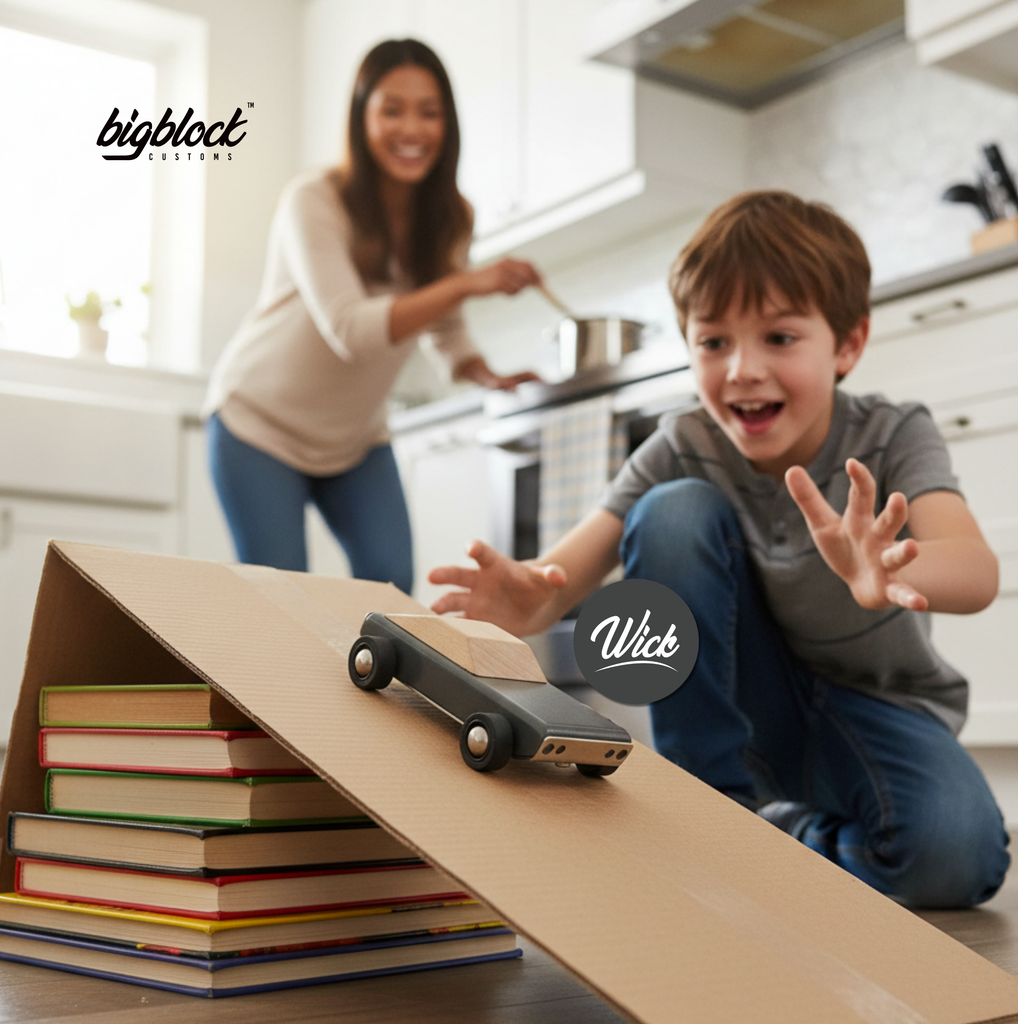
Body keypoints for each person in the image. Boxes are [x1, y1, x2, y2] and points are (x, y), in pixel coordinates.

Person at [428, 190, 1009, 909]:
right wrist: (528, 601)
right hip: (744, 714)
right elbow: (561, 575)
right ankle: (709, 811)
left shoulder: (892, 433)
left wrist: (891, 568)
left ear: (848, 345)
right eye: (713, 342)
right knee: (670, 511)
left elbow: (976, 570)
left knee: (956, 858)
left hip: (875, 709)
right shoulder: (683, 443)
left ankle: (770, 839)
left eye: (779, 337)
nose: (741, 369)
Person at [204, 38, 542, 590]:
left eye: (429, 112)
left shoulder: (451, 217)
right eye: (392, 110)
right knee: (280, 600)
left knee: (390, 589)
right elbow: (351, 330)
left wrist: (486, 374)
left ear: (448, 124)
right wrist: (467, 282)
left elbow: (444, 323)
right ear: (361, 117)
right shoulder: (313, 199)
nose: (412, 129)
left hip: (355, 439)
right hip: (258, 426)